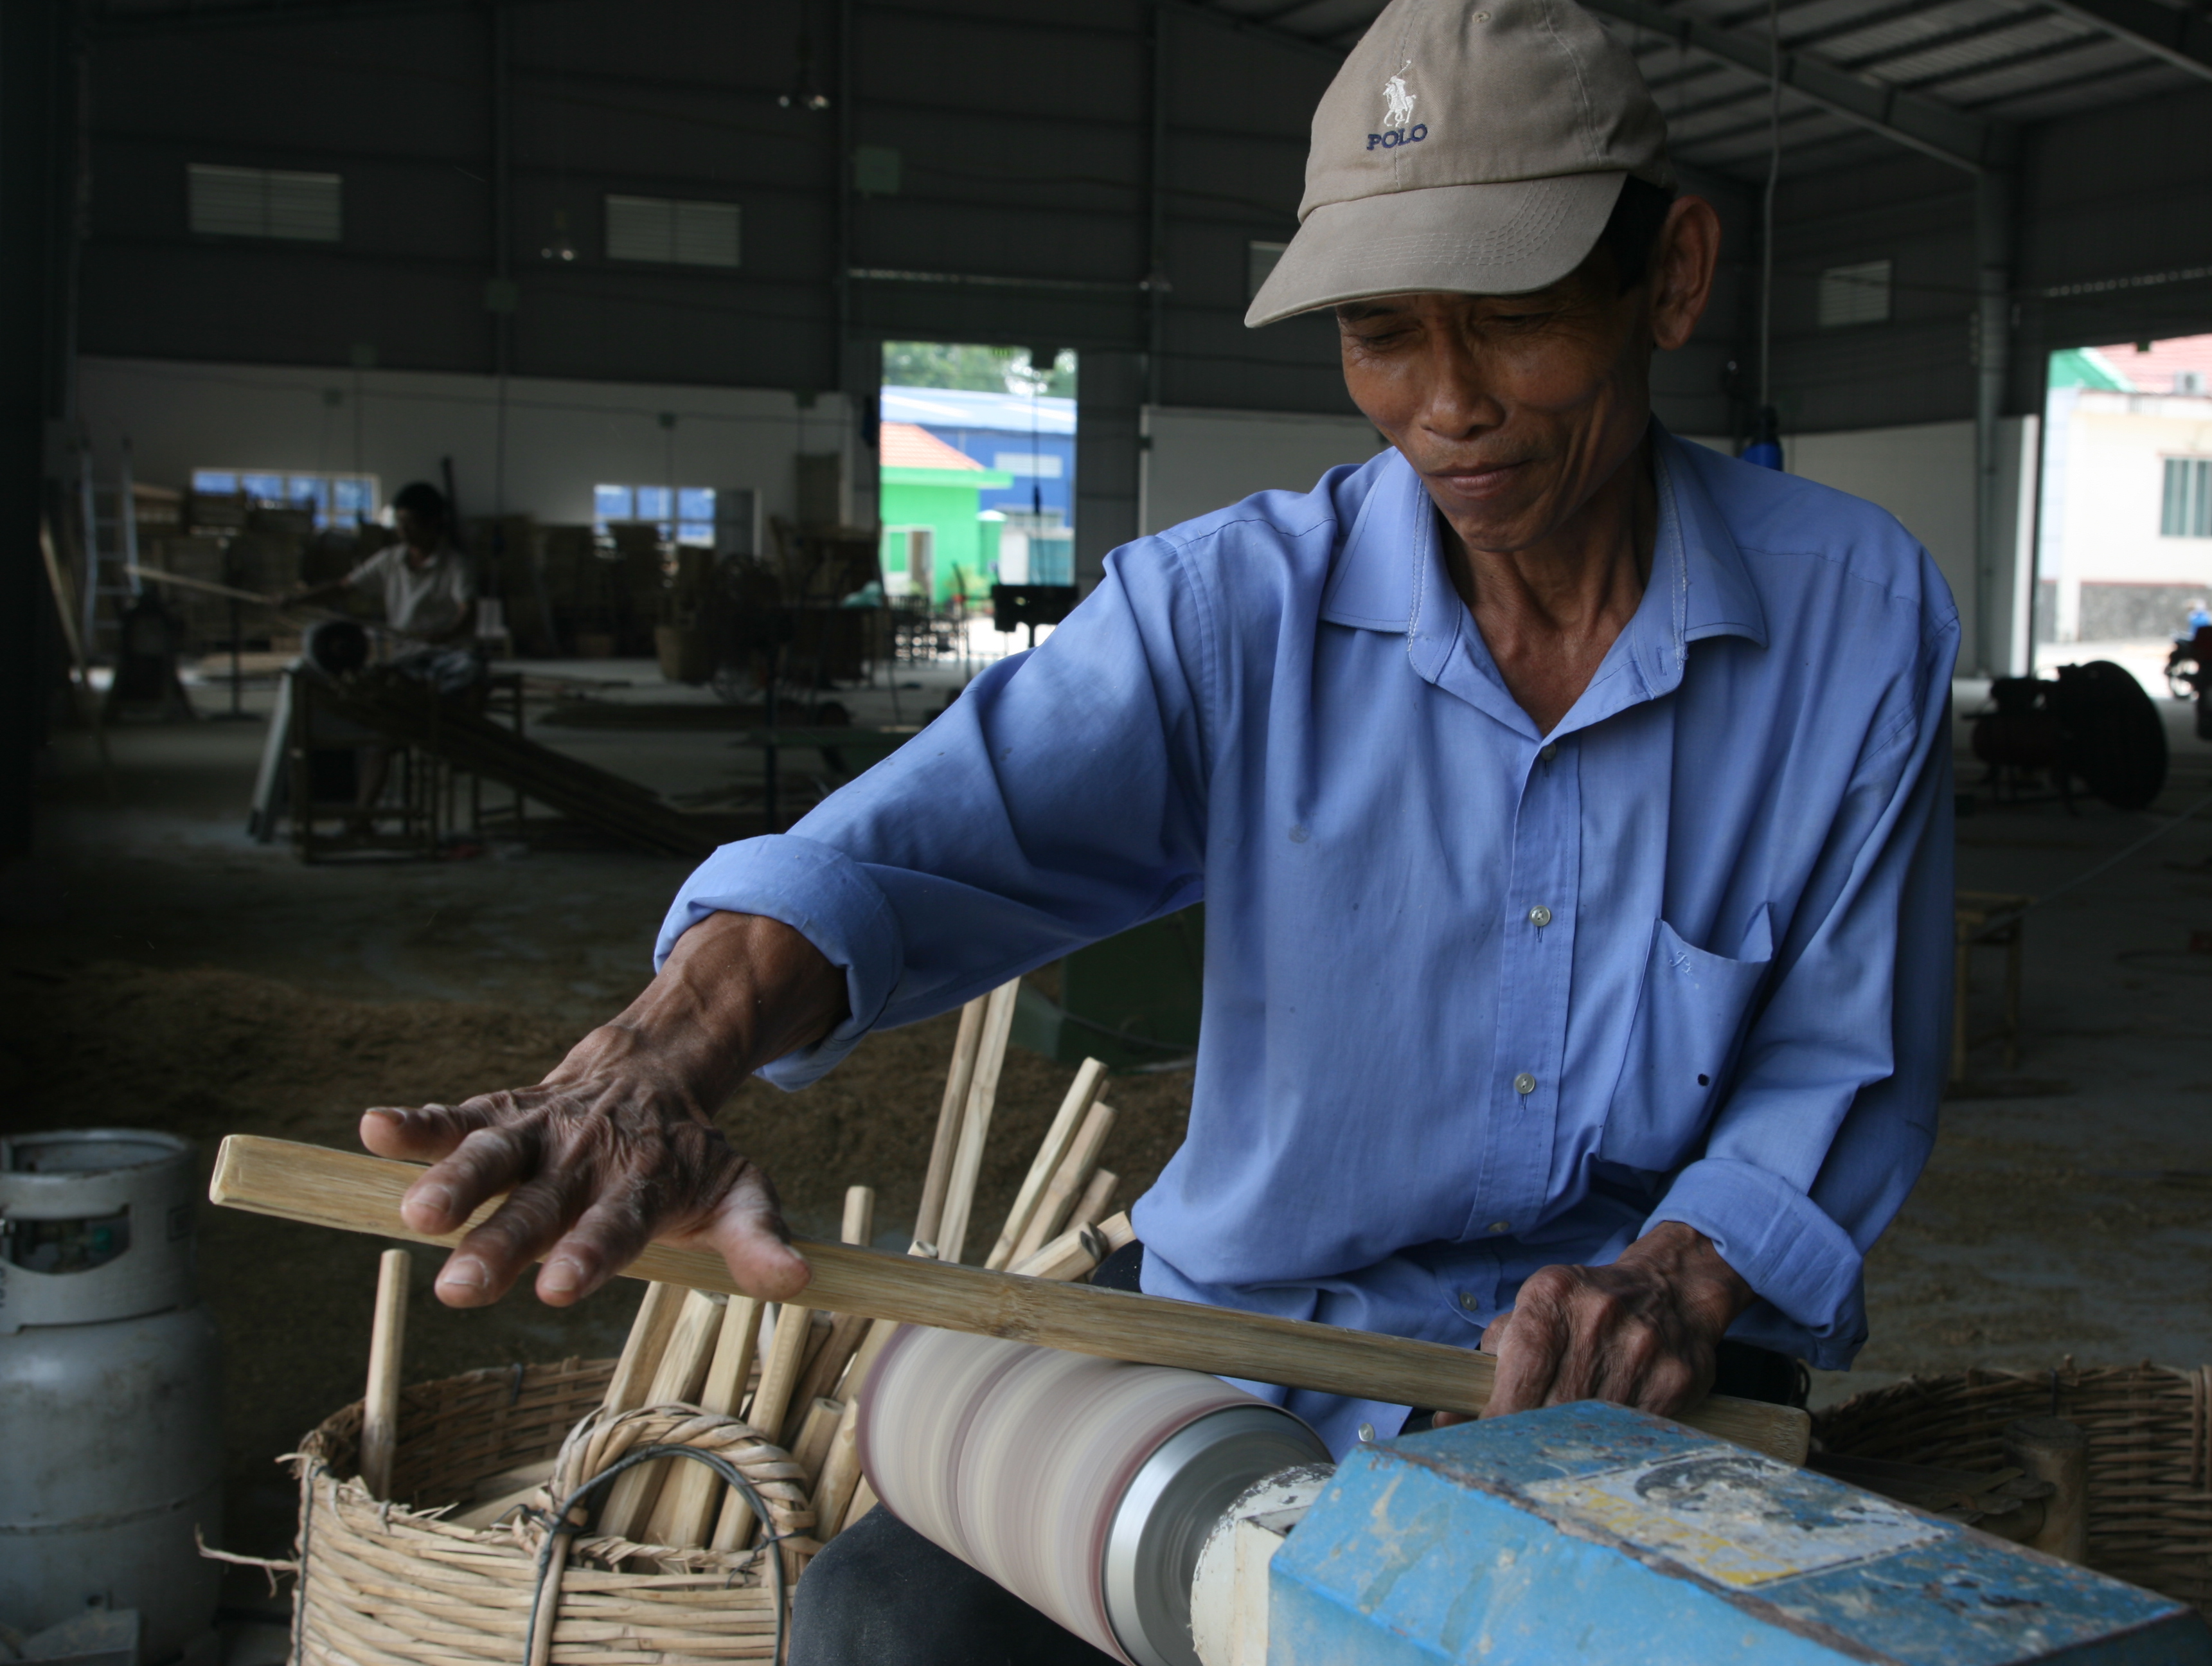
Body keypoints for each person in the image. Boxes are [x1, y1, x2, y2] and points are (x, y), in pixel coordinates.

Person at [361, 1, 1957, 1658]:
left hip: (1630, 1379)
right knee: (886, 1627)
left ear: (1671, 279)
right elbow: (907, 845)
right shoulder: (1230, 612)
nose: (1445, 403)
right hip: (1248, 1341)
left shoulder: (1851, 619)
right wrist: (651, 1063)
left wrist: (1677, 1272)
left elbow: (1840, 1055)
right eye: (1382, 332)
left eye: (1513, 321)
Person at [298, 479, 481, 692]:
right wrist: (297, 600)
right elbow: (344, 587)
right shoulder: (390, 560)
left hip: (449, 654)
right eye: (399, 522)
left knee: (468, 671)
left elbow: (469, 613)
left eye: (410, 522)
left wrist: (446, 635)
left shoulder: (456, 565)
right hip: (407, 656)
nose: (402, 530)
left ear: (433, 522)